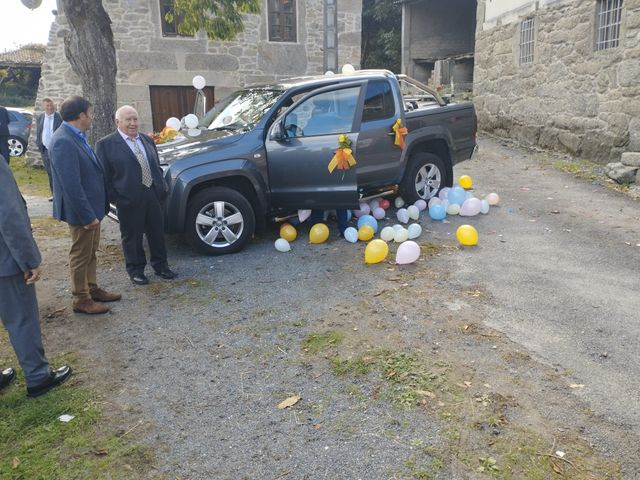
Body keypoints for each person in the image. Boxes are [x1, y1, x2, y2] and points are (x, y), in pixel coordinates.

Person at [0, 153, 72, 397]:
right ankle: (38, 377)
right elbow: (9, 215)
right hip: (4, 261)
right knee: (21, 319)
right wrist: (29, 259)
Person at [49, 95, 121, 314]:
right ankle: (80, 298)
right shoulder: (63, 140)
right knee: (81, 254)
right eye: (89, 114)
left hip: (92, 208)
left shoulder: (76, 136)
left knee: (91, 252)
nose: (91, 118)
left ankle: (91, 288)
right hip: (82, 212)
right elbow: (71, 185)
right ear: (80, 116)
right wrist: (87, 215)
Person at [96, 105, 176, 285]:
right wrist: (116, 198)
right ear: (118, 122)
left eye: (135, 119)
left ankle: (161, 266)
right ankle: (136, 270)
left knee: (157, 233)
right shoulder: (106, 144)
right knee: (132, 237)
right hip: (127, 199)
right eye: (128, 120)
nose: (133, 123)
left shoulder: (147, 141)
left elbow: (155, 166)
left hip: (152, 194)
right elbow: (104, 176)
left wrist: (161, 188)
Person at [36, 98, 63, 201]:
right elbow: (39, 131)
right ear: (43, 106)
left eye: (51, 105)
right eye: (47, 105)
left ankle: (62, 195)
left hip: (57, 150)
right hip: (45, 150)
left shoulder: (60, 117)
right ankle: (54, 195)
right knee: (50, 173)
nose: (50, 107)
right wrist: (39, 145)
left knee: (59, 172)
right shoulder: (40, 117)